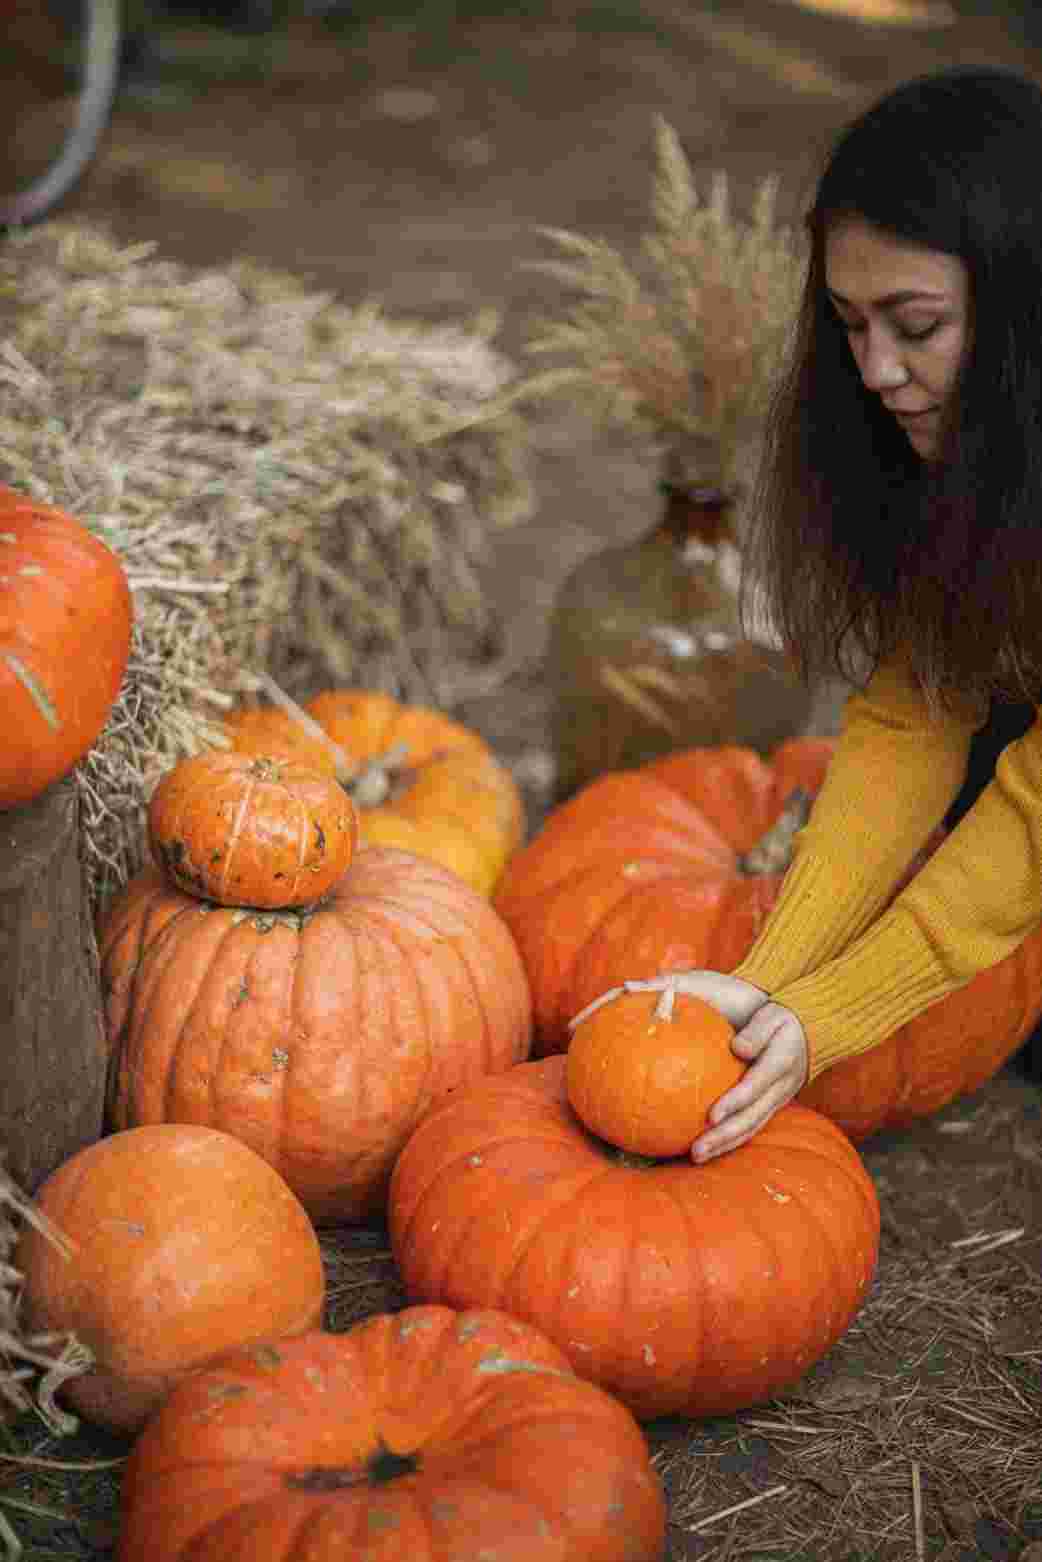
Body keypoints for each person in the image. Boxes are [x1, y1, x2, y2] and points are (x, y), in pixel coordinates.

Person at [579, 65, 1042, 1162]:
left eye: (916, 325)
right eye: (848, 323)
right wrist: (767, 981)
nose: (875, 369)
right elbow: (915, 710)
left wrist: (832, 1014)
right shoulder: (944, 443)